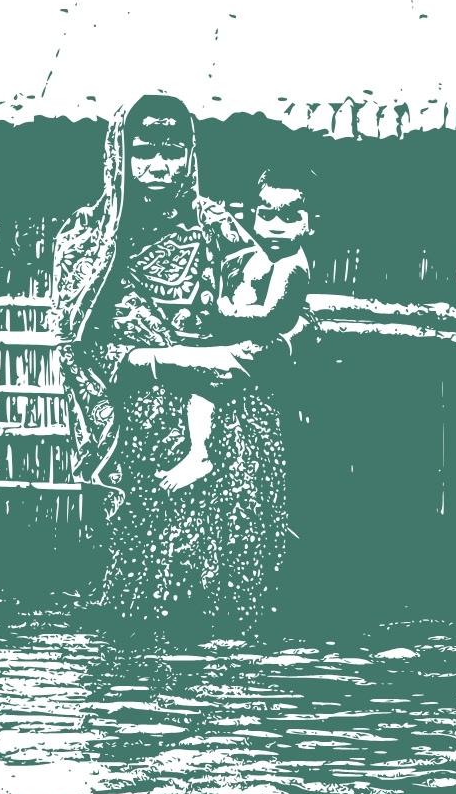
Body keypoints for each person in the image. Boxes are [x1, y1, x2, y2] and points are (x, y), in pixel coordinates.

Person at [48, 94, 309, 626]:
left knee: (234, 602)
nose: (160, 166)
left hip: (232, 424)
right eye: (145, 151)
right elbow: (79, 349)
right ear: (120, 153)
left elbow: (287, 311)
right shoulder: (85, 239)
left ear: (190, 153)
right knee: (146, 604)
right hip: (142, 431)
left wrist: (264, 348)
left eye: (173, 150)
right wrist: (179, 362)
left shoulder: (217, 226)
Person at [157, 167, 315, 492]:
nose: (275, 226)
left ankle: (200, 454)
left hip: (259, 351)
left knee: (202, 387)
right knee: (199, 393)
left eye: (289, 217)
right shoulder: (262, 253)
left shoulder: (291, 265)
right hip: (246, 344)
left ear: (310, 223)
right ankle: (199, 452)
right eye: (266, 215)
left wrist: (226, 313)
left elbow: (271, 317)